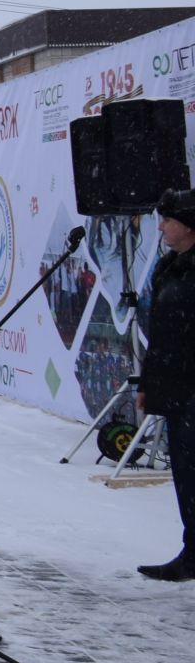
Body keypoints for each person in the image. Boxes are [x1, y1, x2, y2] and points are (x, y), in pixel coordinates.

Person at [136, 189, 195, 581]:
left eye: (168, 220)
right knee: (187, 474)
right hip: (177, 387)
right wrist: (148, 383)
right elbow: (160, 335)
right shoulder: (168, 268)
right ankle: (192, 551)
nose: (161, 227)